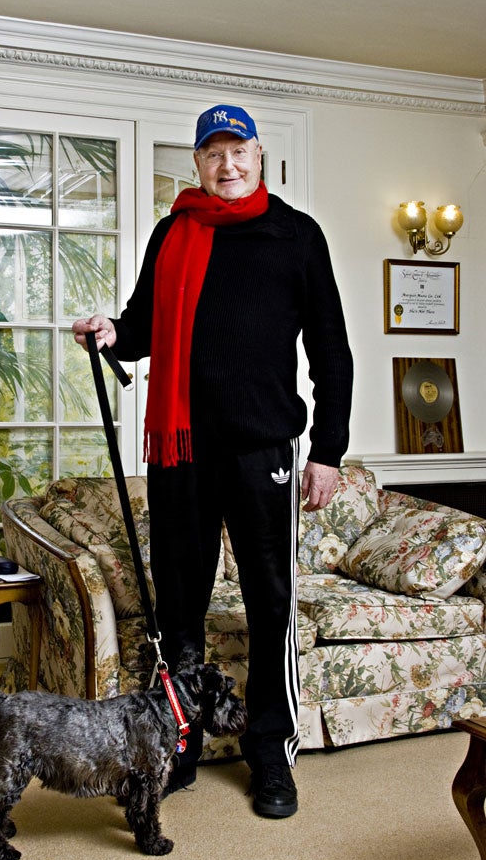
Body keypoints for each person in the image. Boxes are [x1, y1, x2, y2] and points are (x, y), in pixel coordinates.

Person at [73, 103, 353, 819]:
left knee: (270, 602)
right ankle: (180, 742)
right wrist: (113, 331)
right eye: (212, 154)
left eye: (238, 151)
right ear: (197, 162)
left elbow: (331, 352)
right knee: (179, 605)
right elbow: (142, 327)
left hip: (264, 450)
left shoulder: (296, 235)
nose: (226, 166)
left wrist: (328, 452)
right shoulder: (174, 232)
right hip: (183, 449)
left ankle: (270, 753)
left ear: (259, 155)